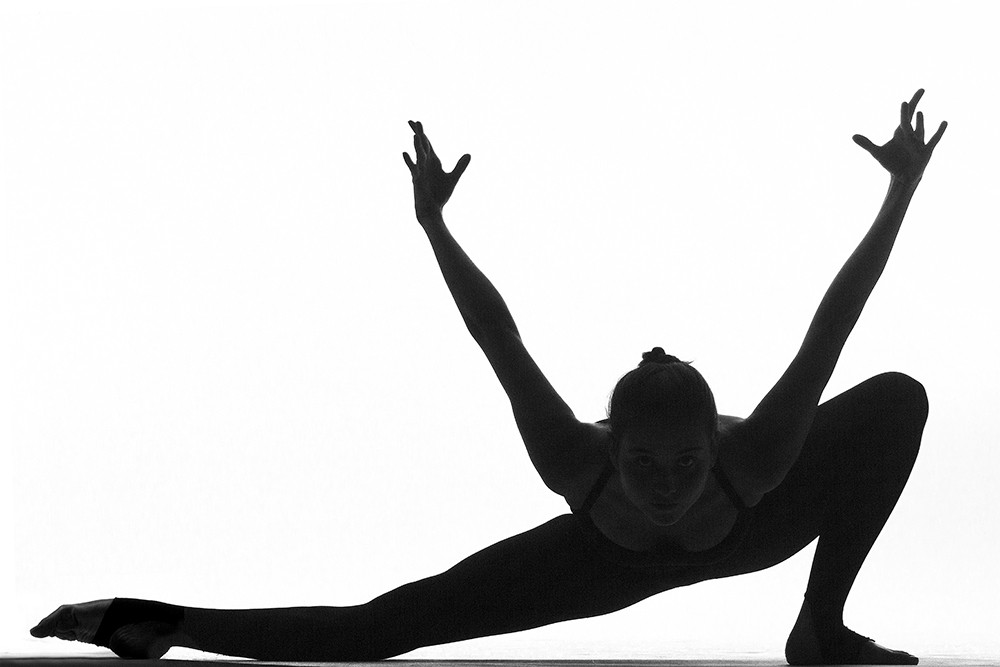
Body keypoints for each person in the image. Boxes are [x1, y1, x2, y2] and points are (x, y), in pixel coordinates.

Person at [30, 90, 946, 665]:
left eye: (684, 463)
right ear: (609, 448)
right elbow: (494, 332)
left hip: (753, 531)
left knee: (896, 399)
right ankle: (155, 620)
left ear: (716, 446)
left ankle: (820, 628)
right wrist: (435, 225)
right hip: (596, 561)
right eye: (643, 463)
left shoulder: (760, 456)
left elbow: (836, 320)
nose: (666, 484)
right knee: (378, 630)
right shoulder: (571, 456)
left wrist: (899, 191)